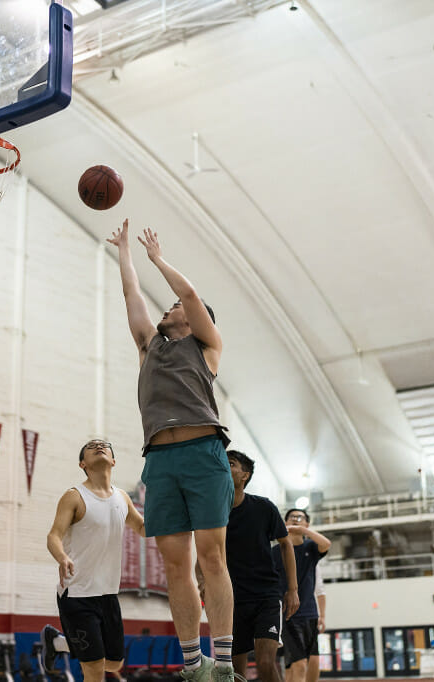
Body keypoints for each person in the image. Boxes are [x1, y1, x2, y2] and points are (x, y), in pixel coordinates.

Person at [107, 219, 235, 682]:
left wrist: (158, 259)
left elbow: (194, 298)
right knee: (174, 567)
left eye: (176, 305)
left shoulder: (208, 346)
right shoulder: (149, 346)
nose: (171, 306)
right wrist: (125, 252)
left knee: (212, 559)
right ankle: (192, 666)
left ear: (195, 320)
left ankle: (222, 665)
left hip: (204, 452)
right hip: (159, 461)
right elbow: (131, 297)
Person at [46, 439, 146, 682]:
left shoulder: (122, 497)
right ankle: (64, 644)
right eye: (91, 447)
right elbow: (54, 535)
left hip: (108, 593)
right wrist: (62, 557)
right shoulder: (74, 496)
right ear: (83, 463)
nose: (99, 446)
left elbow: (143, 527)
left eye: (104, 445)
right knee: (94, 669)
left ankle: (58, 643)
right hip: (77, 592)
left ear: (113, 460)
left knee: (114, 663)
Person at [198, 450, 299, 682]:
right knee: (235, 674)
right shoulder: (213, 513)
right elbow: (203, 555)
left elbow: (286, 545)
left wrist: (292, 589)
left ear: (245, 475)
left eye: (230, 463)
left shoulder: (264, 508)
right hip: (230, 601)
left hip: (266, 598)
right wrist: (202, 581)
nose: (224, 465)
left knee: (265, 663)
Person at [273, 509, 331, 682]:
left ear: (307, 523)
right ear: (285, 523)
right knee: (298, 664)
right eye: (292, 517)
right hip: (287, 615)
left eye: (301, 518)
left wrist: (303, 531)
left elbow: (326, 544)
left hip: (310, 614)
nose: (296, 520)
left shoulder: (311, 548)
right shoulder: (276, 552)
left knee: (312, 662)